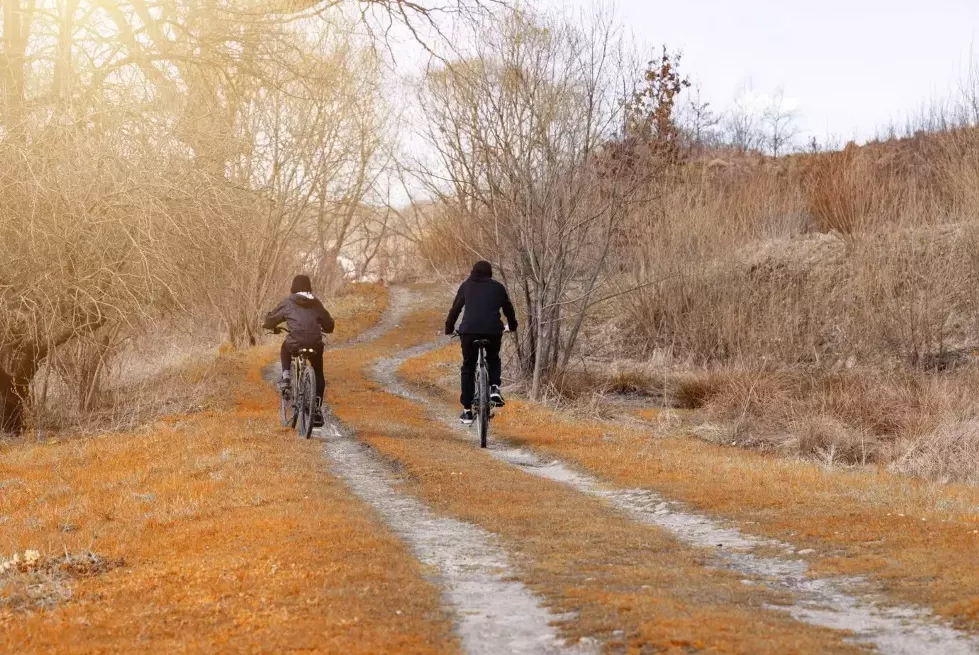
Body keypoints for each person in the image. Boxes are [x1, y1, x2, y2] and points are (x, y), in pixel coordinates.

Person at [444, 261, 518, 424]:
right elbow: (508, 309)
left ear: (473, 271)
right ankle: (494, 388)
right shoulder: (498, 287)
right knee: (493, 358)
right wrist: (512, 326)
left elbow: (455, 309)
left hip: (469, 332)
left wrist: (449, 328)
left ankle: (467, 411)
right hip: (493, 331)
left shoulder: (466, 286)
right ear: (489, 273)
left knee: (468, 367)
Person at [264, 275, 335, 426]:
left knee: (285, 347)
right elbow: (329, 326)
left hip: (295, 343)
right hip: (315, 344)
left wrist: (269, 323)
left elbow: (270, 321)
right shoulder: (316, 303)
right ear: (309, 287)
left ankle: (286, 377)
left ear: (293, 287)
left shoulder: (288, 302)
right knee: (318, 372)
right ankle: (316, 409)